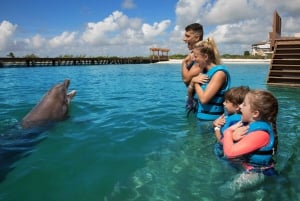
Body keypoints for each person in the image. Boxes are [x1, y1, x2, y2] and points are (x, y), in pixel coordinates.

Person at [222, 89, 278, 193]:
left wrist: (228, 133)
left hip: (256, 173)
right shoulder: (250, 127)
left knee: (225, 191)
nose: (240, 107)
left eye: (244, 104)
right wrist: (233, 136)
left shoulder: (260, 134)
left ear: (255, 113)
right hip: (248, 168)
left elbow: (230, 153)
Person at [189, 37, 231, 124]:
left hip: (213, 122)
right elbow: (190, 95)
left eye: (196, 56)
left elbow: (204, 99)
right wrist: (193, 81)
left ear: (205, 57)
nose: (194, 59)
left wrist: (196, 83)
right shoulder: (204, 73)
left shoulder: (219, 73)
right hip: (202, 120)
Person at [213, 86, 250, 157]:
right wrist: (215, 123)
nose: (223, 103)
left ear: (236, 107)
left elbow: (224, 141)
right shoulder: (235, 118)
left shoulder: (235, 122)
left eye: (226, 102)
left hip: (227, 155)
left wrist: (216, 128)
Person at [181, 23, 204, 115]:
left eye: (187, 36)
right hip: (194, 97)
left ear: (197, 37)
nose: (184, 39)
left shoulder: (201, 54)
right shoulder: (193, 54)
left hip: (199, 101)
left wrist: (183, 62)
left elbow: (186, 79)